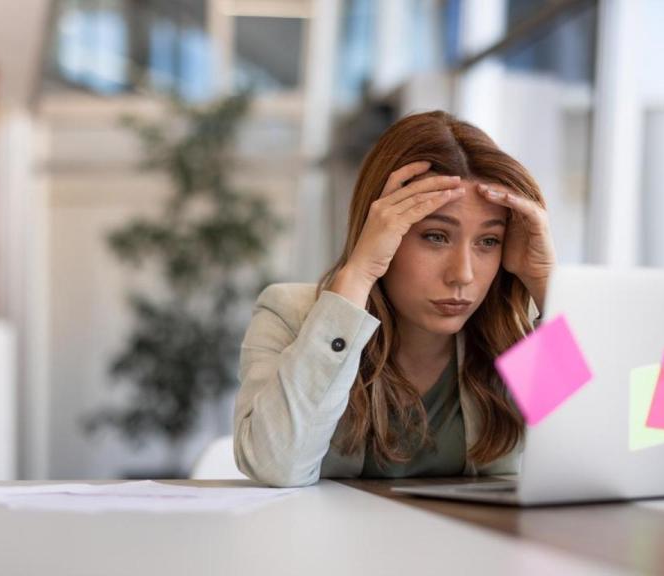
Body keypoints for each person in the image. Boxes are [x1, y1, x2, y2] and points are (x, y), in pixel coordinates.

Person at [234, 110, 556, 487]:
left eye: (488, 241)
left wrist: (548, 284)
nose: (463, 274)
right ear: (382, 233)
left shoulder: (517, 339)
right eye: (435, 236)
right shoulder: (289, 315)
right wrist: (358, 273)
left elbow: (594, 461)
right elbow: (276, 466)